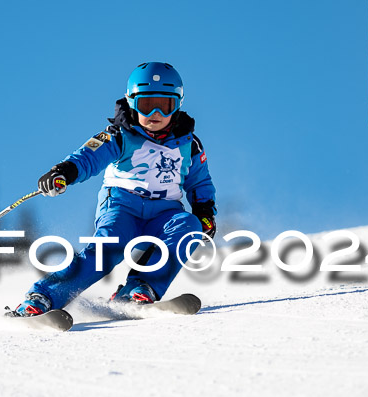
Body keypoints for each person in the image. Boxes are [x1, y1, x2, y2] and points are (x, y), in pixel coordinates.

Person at [13, 62, 217, 316]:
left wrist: (204, 208)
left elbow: (199, 181)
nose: (155, 113)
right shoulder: (120, 135)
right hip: (123, 206)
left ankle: (140, 286)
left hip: (165, 213)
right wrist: (64, 172)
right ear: (131, 102)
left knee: (189, 226)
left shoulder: (189, 143)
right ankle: (43, 297)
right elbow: (88, 157)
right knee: (107, 250)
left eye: (165, 105)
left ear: (177, 105)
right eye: (145, 104)